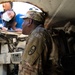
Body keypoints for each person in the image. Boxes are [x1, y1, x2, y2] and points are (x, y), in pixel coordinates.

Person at [18, 10, 52, 75]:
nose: (22, 24)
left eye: (24, 21)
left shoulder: (37, 35)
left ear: (30, 22)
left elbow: (30, 68)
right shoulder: (38, 33)